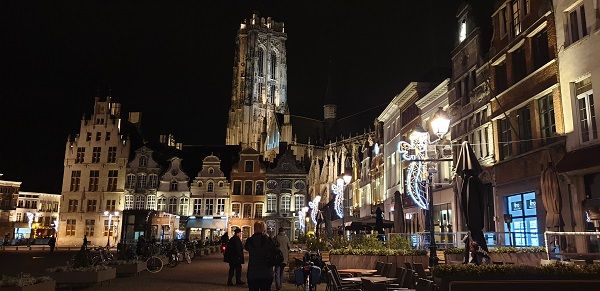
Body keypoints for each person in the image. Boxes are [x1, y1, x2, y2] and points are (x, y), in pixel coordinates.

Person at [245, 221, 276, 291]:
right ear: (264, 229)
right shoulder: (269, 240)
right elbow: (274, 251)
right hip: (266, 272)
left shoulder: (250, 240)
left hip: (253, 273)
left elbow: (246, 247)